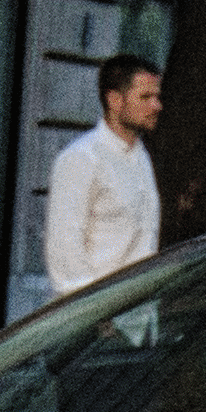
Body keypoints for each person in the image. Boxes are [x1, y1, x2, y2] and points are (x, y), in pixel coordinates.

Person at [44, 53, 164, 295]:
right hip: (98, 320)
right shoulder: (81, 159)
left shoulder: (140, 156)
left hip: (137, 318)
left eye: (157, 96)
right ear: (115, 101)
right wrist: (97, 320)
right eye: (145, 97)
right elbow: (64, 249)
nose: (156, 106)